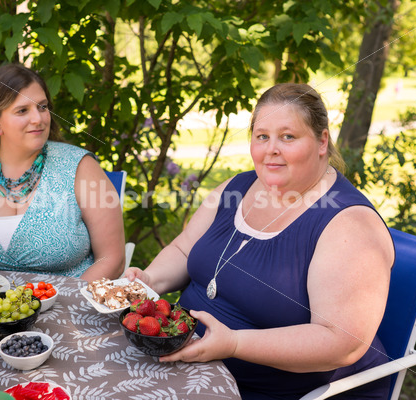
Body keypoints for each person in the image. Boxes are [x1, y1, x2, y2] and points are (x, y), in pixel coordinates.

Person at [125, 83, 395, 399]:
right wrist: (148, 280)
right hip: (186, 365)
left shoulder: (350, 225)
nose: (271, 150)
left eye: (288, 137)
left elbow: (340, 343)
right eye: (262, 136)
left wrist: (235, 344)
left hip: (279, 392)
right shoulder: (236, 187)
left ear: (322, 142)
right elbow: (184, 249)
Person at [0, 63, 125, 281]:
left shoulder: (81, 167)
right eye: (23, 110)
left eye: (42, 107)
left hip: (67, 307)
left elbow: (111, 259)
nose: (38, 119)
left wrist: (65, 302)